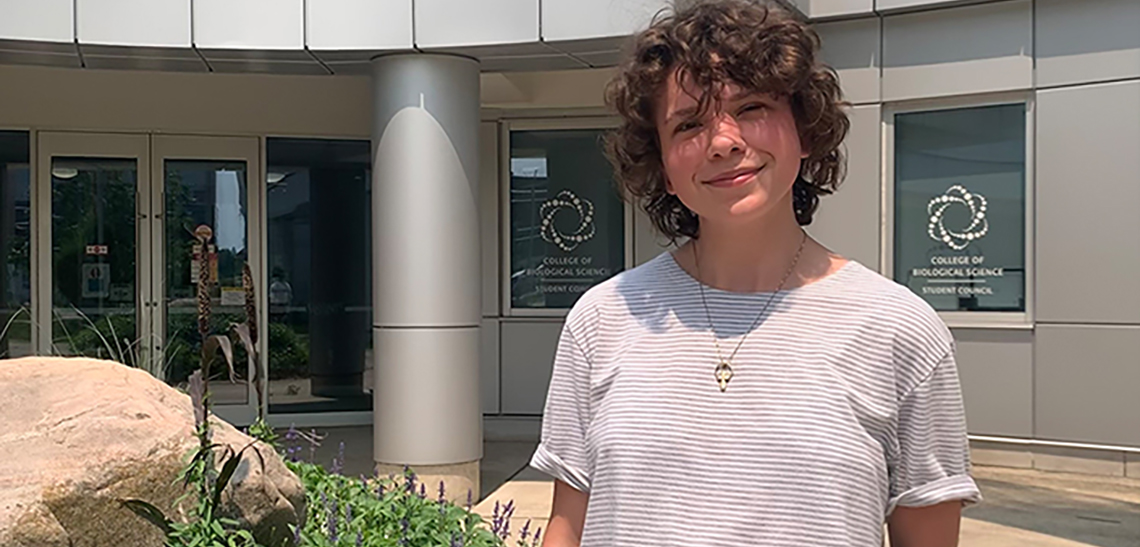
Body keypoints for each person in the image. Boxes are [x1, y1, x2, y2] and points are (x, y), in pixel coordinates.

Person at [528, 1, 982, 546]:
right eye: (689, 123)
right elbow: (568, 527)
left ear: (805, 131)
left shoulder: (899, 330)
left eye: (751, 107)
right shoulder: (602, 319)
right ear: (664, 165)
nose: (723, 141)